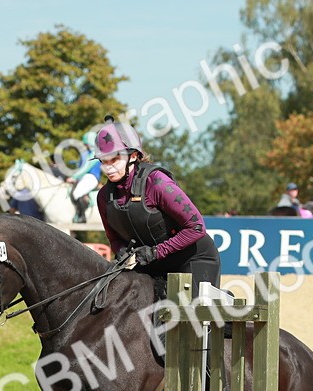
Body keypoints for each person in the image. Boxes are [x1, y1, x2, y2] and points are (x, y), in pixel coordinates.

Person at [93, 115, 220, 303]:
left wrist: (155, 252)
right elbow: (114, 239)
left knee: (184, 321)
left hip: (191, 260)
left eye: (114, 159)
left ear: (133, 156)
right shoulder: (104, 197)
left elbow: (196, 227)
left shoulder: (157, 183)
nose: (108, 168)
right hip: (151, 264)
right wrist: (122, 252)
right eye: (104, 161)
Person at [65, 132, 103, 221]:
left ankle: (81, 216)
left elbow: (86, 168)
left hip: (91, 178)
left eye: (85, 144)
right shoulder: (89, 153)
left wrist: (74, 177)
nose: (84, 146)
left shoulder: (95, 154)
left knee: (76, 193)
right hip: (85, 177)